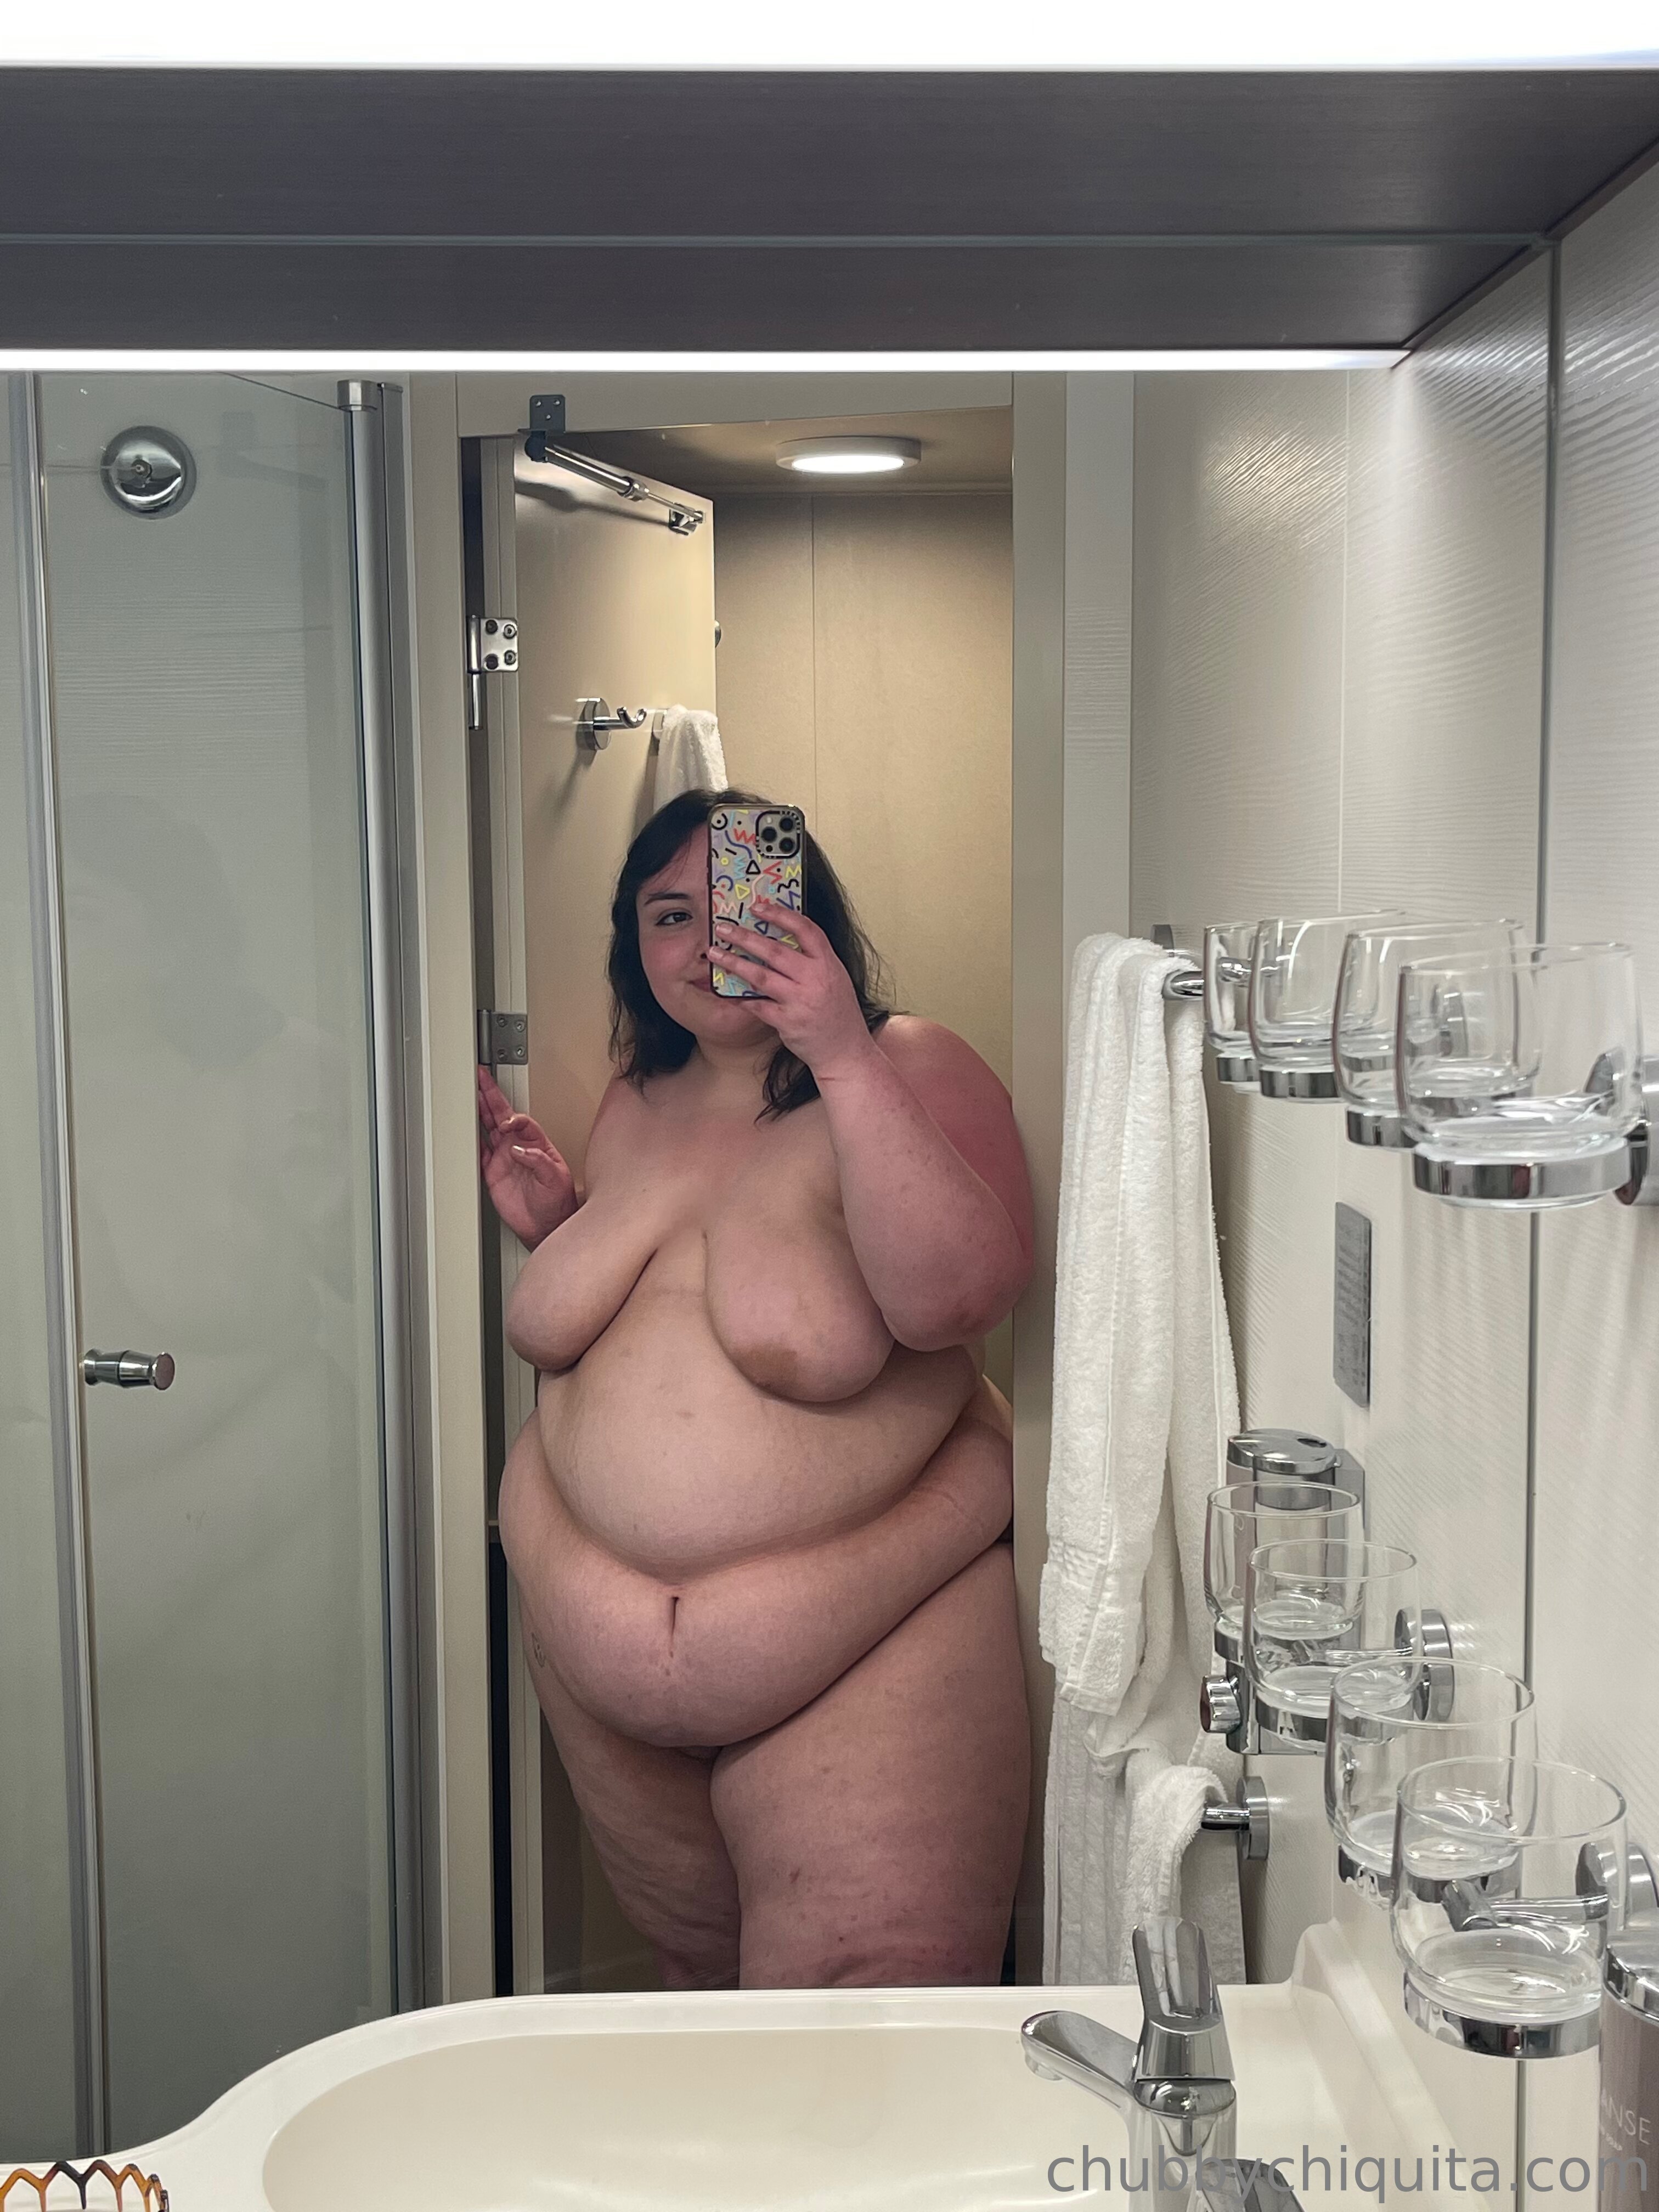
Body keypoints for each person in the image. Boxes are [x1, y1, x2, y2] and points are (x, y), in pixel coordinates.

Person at [478, 787, 1033, 1988]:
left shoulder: (909, 1064)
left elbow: (958, 1303)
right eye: (669, 915)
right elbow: (679, 1317)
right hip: (600, 1667)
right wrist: (561, 1229)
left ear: (806, 909)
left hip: (868, 1651)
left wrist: (838, 1051)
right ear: (633, 947)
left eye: (737, 901)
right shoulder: (638, 1095)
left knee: (862, 2030)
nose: (707, 941)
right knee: (702, 2008)